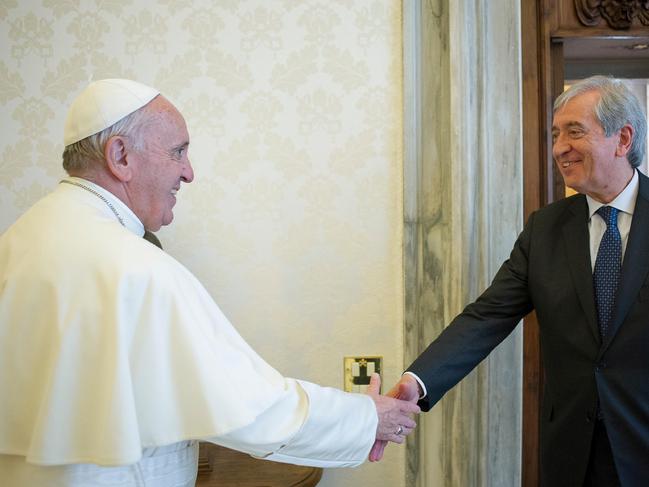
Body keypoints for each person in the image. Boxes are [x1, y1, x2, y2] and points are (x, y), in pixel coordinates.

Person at [0, 79, 419, 486]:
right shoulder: (133, 266)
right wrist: (368, 418)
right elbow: (250, 405)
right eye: (177, 152)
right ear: (121, 156)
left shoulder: (16, 241)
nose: (189, 173)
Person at [371, 75, 649, 486]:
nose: (559, 148)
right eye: (555, 135)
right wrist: (418, 381)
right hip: (571, 455)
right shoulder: (545, 229)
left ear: (622, 139)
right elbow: (486, 317)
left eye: (575, 131)